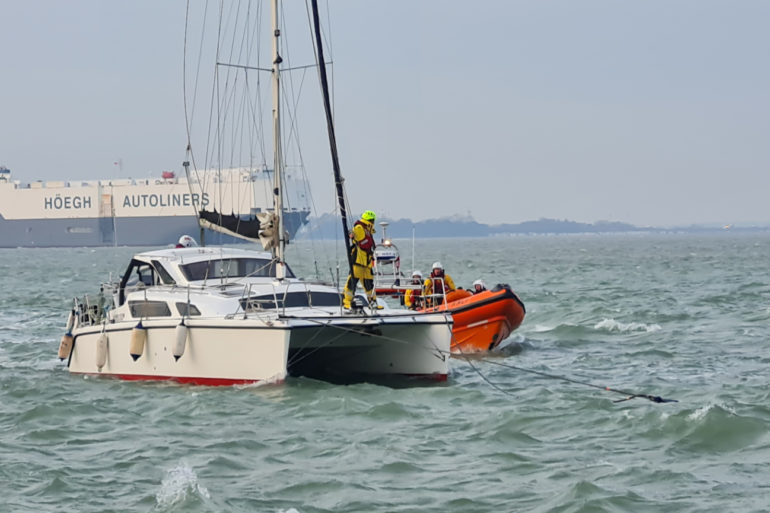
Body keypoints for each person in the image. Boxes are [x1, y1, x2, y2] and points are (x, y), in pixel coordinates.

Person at [343, 210, 380, 309]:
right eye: (373, 220)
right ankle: (347, 302)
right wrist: (351, 233)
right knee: (352, 283)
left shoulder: (368, 230)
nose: (373, 223)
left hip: (367, 263)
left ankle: (373, 302)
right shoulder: (360, 228)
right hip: (358, 262)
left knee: (369, 284)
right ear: (370, 220)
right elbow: (355, 236)